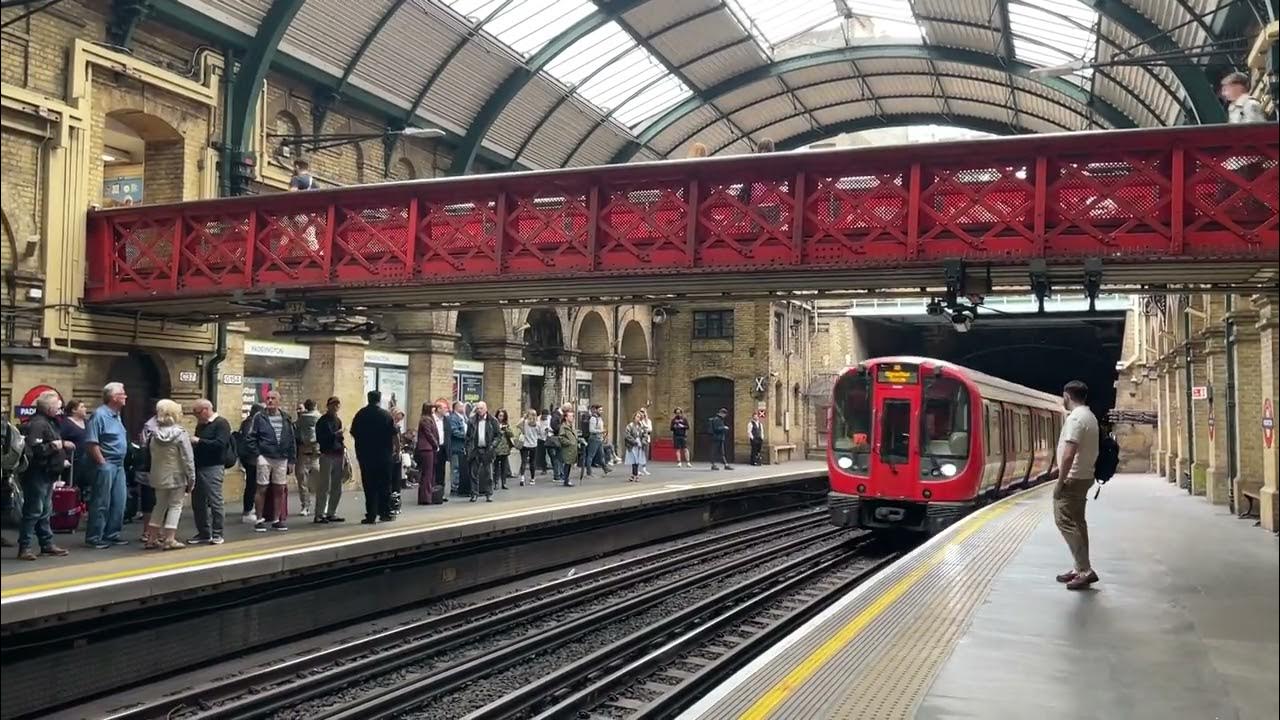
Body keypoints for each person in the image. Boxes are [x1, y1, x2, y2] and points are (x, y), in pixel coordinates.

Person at [1042, 380, 1101, 591]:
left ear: (1067, 396)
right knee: (1078, 522)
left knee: (1064, 521)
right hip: (1084, 476)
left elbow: (1069, 454)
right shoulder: (1090, 416)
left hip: (1073, 478)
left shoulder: (1076, 418)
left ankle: (1084, 570)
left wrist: (1060, 482)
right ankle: (1079, 568)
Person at [16, 390, 72, 560]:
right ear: (49, 408)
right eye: (58, 406)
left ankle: (46, 544)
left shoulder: (49, 422)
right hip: (36, 474)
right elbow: (32, 449)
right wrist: (54, 447)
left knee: (45, 510)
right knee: (34, 510)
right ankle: (24, 547)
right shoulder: (39, 424)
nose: (60, 409)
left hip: (47, 474)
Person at [144, 399, 195, 551]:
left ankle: (151, 538)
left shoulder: (153, 435)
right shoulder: (181, 434)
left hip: (158, 475)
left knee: (159, 505)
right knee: (175, 506)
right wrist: (192, 478)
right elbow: (188, 458)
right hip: (177, 475)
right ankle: (170, 539)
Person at [84, 382, 130, 549]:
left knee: (119, 501)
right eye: (122, 393)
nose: (125, 396)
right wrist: (102, 462)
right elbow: (91, 442)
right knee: (101, 501)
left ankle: (112, 534)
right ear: (113, 397)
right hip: (107, 463)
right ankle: (95, 537)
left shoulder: (116, 414)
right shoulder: (99, 415)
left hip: (119, 465)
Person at [245, 390, 296, 532]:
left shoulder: (286, 418)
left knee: (279, 488)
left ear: (279, 401)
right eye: (268, 398)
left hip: (282, 457)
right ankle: (260, 519)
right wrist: (257, 455)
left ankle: (276, 519)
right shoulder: (259, 417)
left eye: (273, 398)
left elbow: (291, 439)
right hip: (264, 456)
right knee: (262, 487)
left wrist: (292, 460)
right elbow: (251, 437)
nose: (270, 401)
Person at [189, 399, 231, 545]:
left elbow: (220, 444)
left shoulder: (221, 423)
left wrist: (199, 441)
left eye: (197, 413)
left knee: (215, 500)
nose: (196, 416)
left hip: (213, 466)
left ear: (206, 410)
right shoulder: (201, 425)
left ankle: (218, 533)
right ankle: (203, 533)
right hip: (199, 466)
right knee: (198, 502)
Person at [351, 390, 396, 523]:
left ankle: (371, 515)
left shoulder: (360, 414)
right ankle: (385, 513)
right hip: (384, 455)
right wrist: (395, 449)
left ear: (368, 399)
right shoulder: (385, 415)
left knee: (369, 485)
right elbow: (394, 434)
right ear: (379, 399)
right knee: (385, 484)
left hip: (366, 456)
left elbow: (354, 432)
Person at [313, 396, 347, 523]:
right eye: (333, 404)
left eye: (337, 405)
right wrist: (335, 435)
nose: (335, 407)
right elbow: (321, 438)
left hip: (338, 454)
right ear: (328, 406)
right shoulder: (322, 421)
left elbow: (340, 438)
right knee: (324, 485)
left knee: (337, 486)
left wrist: (340, 437)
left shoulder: (338, 420)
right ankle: (319, 513)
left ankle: (331, 512)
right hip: (327, 454)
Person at [465, 402, 500, 502]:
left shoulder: (493, 420)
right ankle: (474, 493)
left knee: (488, 473)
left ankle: (489, 494)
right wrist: (468, 448)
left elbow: (498, 435)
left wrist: (493, 445)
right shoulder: (472, 421)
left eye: (481, 408)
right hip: (475, 449)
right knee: (473, 473)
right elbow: (468, 436)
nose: (479, 410)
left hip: (487, 449)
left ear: (485, 409)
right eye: (478, 408)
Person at [294, 399, 320, 517]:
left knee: (302, 482)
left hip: (303, 454)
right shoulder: (320, 417)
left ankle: (306, 506)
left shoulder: (299, 422)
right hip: (316, 454)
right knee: (319, 482)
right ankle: (319, 506)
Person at [238, 403, 262, 523]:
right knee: (252, 484)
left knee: (253, 484)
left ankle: (250, 508)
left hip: (250, 458)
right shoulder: (251, 423)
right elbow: (250, 440)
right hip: (252, 459)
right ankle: (248, 509)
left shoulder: (247, 422)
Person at [414, 401, 442, 504]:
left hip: (428, 448)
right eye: (432, 408)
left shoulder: (427, 418)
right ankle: (425, 498)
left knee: (428, 473)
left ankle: (426, 496)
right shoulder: (426, 419)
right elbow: (429, 434)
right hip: (427, 449)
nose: (434, 410)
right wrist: (436, 445)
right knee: (427, 473)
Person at [59, 399, 89, 489]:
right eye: (82, 407)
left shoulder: (87, 423)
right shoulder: (66, 424)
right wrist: (64, 443)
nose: (85, 409)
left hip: (86, 462)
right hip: (72, 463)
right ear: (74, 410)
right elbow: (58, 439)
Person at [448, 401, 469, 495]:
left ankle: (460, 485)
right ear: (456, 407)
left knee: (461, 467)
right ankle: (454, 486)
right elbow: (454, 431)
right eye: (461, 406)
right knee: (455, 467)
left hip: (463, 447)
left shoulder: (464, 417)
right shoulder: (453, 418)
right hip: (456, 446)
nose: (463, 408)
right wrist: (466, 436)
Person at [584, 405, 610, 477]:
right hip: (594, 439)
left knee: (601, 455)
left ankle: (605, 468)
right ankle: (589, 472)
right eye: (600, 410)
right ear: (596, 410)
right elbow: (591, 430)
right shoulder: (593, 418)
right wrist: (601, 431)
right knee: (591, 456)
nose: (601, 411)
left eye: (602, 410)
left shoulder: (599, 418)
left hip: (599, 439)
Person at [557, 406, 580, 487]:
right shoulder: (564, 427)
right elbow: (561, 437)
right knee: (567, 464)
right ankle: (565, 480)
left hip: (572, 449)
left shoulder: (571, 427)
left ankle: (566, 479)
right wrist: (569, 442)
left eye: (573, 416)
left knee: (569, 465)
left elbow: (574, 436)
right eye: (570, 416)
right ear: (566, 418)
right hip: (567, 449)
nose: (572, 418)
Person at [493, 409, 515, 491]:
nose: (501, 418)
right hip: (496, 448)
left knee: (504, 467)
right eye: (500, 416)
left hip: (505, 448)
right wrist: (499, 429)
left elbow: (511, 434)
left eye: (502, 416)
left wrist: (506, 429)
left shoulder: (506, 425)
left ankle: (504, 483)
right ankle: (496, 483)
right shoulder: (494, 423)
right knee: (496, 467)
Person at [517, 409, 540, 486]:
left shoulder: (525, 422)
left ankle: (522, 478)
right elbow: (540, 433)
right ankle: (532, 478)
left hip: (525, 444)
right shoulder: (537, 424)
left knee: (523, 461)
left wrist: (524, 418)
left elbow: (518, 425)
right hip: (534, 444)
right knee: (532, 462)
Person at [623, 411, 648, 483]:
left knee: (637, 461)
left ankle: (634, 475)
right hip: (632, 445)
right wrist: (634, 441)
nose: (638, 418)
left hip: (640, 445)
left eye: (640, 417)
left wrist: (643, 441)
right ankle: (635, 475)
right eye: (637, 417)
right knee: (634, 460)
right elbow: (627, 435)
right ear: (634, 417)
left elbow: (645, 435)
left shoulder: (642, 426)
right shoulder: (630, 426)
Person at [637, 408, 653, 476]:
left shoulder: (648, 421)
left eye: (643, 412)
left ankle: (644, 468)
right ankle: (637, 470)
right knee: (638, 454)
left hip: (646, 439)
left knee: (645, 455)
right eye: (641, 412)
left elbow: (650, 429)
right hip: (639, 440)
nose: (642, 413)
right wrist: (645, 429)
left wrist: (645, 429)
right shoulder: (638, 421)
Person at [536, 408, 552, 476]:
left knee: (551, 453)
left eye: (546, 416)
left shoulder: (550, 419)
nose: (545, 418)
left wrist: (549, 430)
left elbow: (551, 427)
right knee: (542, 454)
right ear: (542, 415)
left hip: (548, 438)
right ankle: (544, 468)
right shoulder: (538, 419)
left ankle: (553, 466)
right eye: (544, 416)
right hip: (540, 438)